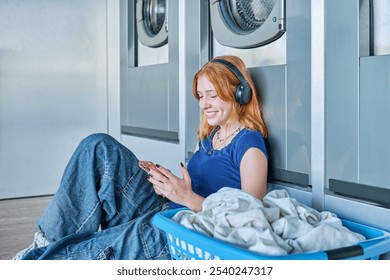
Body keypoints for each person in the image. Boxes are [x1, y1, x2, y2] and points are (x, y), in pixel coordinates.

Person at [13, 55, 268, 260]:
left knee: (84, 251)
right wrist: (165, 182)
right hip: (166, 207)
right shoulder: (210, 137)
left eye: (212, 95)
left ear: (239, 94)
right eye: (201, 96)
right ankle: (45, 241)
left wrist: (186, 197)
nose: (204, 104)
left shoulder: (249, 145)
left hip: (180, 233)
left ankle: (32, 261)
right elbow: (197, 187)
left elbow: (248, 218)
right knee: (99, 147)